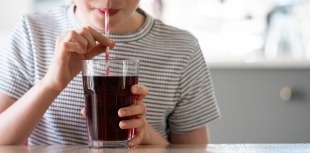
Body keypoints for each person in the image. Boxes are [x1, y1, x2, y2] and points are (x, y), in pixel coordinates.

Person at [0, 0, 220, 147]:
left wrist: (146, 137)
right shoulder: (32, 32)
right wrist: (51, 84)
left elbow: (194, 150)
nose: (108, 0)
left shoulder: (182, 48)